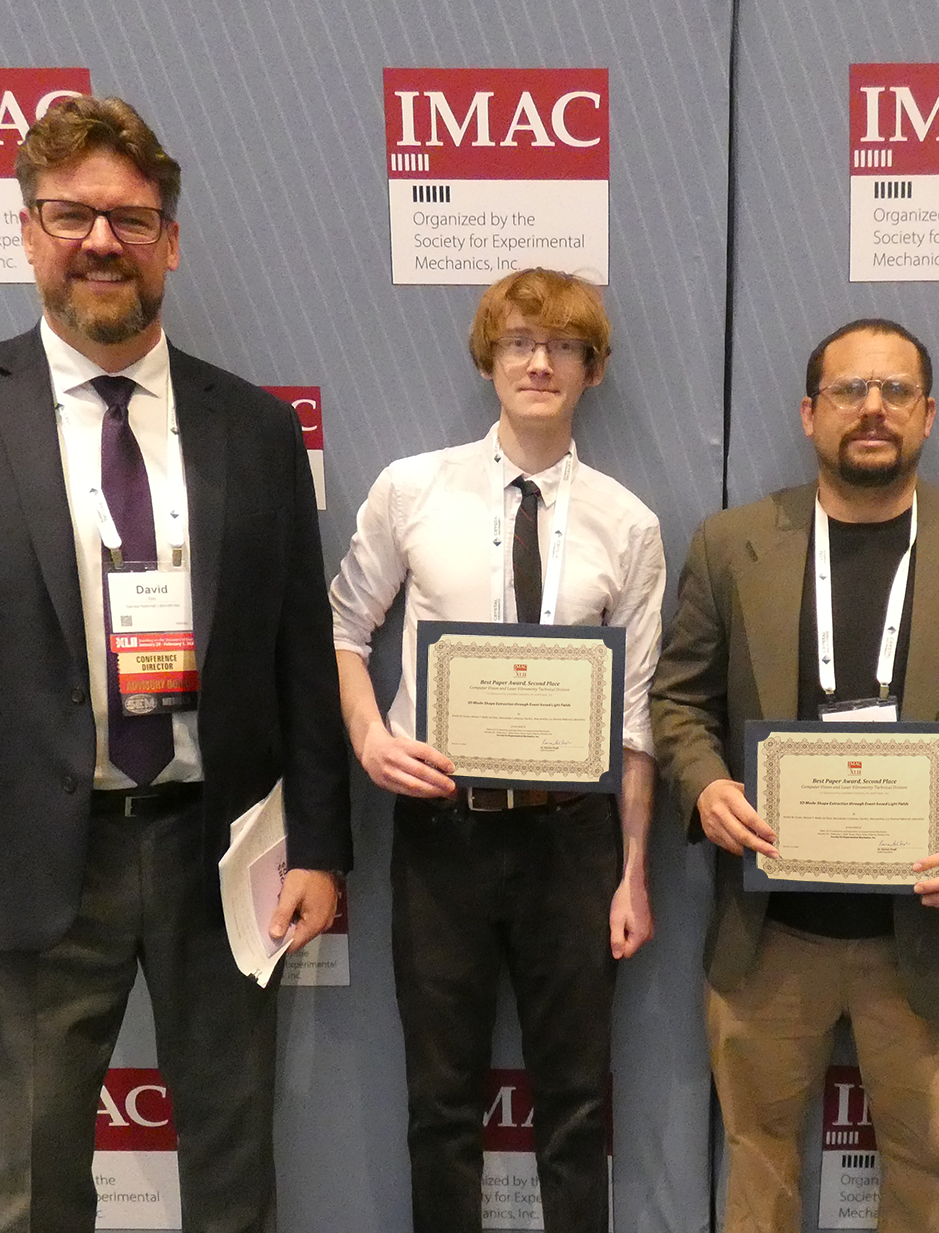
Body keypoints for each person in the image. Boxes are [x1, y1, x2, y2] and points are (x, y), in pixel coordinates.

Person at [0, 95, 351, 1233]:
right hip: (25, 862)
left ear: (170, 241)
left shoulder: (256, 428)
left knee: (235, 1177)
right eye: (70, 214)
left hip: (222, 854)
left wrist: (320, 844)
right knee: (34, 1185)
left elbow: (297, 656)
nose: (101, 242)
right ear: (28, 232)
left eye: (131, 218)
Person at [651, 318, 939, 1233]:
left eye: (895, 391)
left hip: (927, 926)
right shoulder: (730, 544)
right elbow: (678, 701)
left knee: (928, 1168)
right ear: (810, 414)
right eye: (849, 390)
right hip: (769, 930)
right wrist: (706, 785)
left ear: (929, 413)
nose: (873, 408)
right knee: (756, 1157)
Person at [329, 268, 663, 1233]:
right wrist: (370, 736)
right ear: (489, 359)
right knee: (441, 1104)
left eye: (563, 346)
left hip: (573, 842)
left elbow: (635, 717)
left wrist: (633, 870)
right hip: (444, 833)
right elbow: (343, 628)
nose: (539, 362)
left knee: (577, 1105)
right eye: (519, 341)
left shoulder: (629, 523)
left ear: (592, 369)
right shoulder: (412, 488)